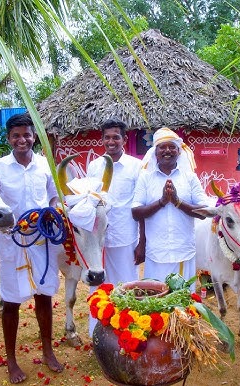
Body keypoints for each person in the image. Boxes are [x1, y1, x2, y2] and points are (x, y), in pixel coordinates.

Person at [0, 113, 62, 384]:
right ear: (8, 138)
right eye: (16, 135)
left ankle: (48, 351)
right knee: (11, 301)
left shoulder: (44, 164)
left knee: (44, 296)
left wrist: (52, 213)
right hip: (11, 243)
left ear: (34, 136)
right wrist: (7, 225)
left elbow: (54, 195)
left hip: (42, 243)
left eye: (27, 135)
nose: (22, 140)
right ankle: (11, 360)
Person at [86, 118, 142, 336]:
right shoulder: (94, 166)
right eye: (107, 137)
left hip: (125, 236)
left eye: (116, 137)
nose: (111, 141)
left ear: (124, 140)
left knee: (126, 285)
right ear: (102, 139)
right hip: (98, 239)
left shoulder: (135, 167)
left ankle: (127, 333)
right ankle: (98, 334)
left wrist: (141, 243)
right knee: (99, 286)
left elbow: (140, 204)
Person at [131, 127, 209, 284]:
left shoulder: (190, 177)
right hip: (155, 254)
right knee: (157, 303)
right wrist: (162, 202)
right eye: (162, 147)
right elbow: (136, 213)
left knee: (183, 303)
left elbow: (204, 212)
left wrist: (177, 202)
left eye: (172, 147)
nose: (167, 150)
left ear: (179, 152)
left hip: (183, 253)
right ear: (155, 152)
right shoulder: (146, 178)